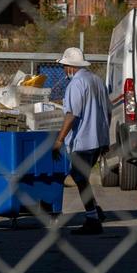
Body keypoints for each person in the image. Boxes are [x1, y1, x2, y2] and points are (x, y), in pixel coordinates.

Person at [52, 47, 111, 235]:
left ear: (70, 67)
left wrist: (60, 140)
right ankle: (95, 211)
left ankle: (93, 219)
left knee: (79, 177)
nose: (64, 71)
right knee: (81, 175)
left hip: (84, 139)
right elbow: (107, 111)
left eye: (64, 67)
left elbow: (72, 115)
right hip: (98, 138)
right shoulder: (97, 81)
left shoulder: (76, 84)